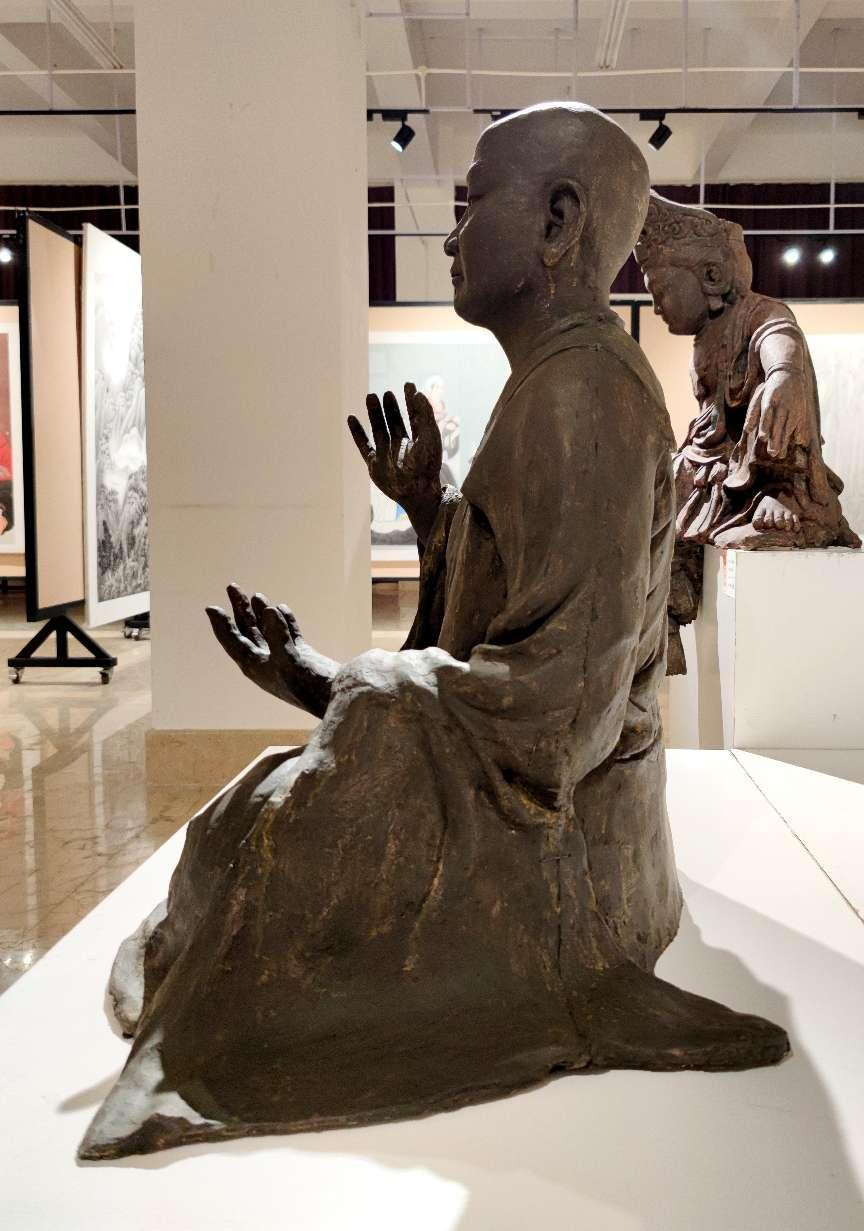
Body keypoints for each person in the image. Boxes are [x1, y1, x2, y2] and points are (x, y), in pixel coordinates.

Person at [81, 103, 787, 1162]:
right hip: (540, 793)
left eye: (471, 205)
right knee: (256, 812)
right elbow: (510, 622)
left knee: (292, 806)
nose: (451, 237)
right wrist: (431, 515)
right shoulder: (555, 383)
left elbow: (558, 716)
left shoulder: (585, 396)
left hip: (574, 861)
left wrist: (356, 683)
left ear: (557, 223)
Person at [636, 192, 860, 551]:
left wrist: (783, 372)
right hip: (720, 459)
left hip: (766, 458)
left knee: (775, 393)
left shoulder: (757, 312)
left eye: (659, 291)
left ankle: (783, 495)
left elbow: (780, 335)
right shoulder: (704, 339)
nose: (656, 307)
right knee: (661, 486)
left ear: (712, 276)